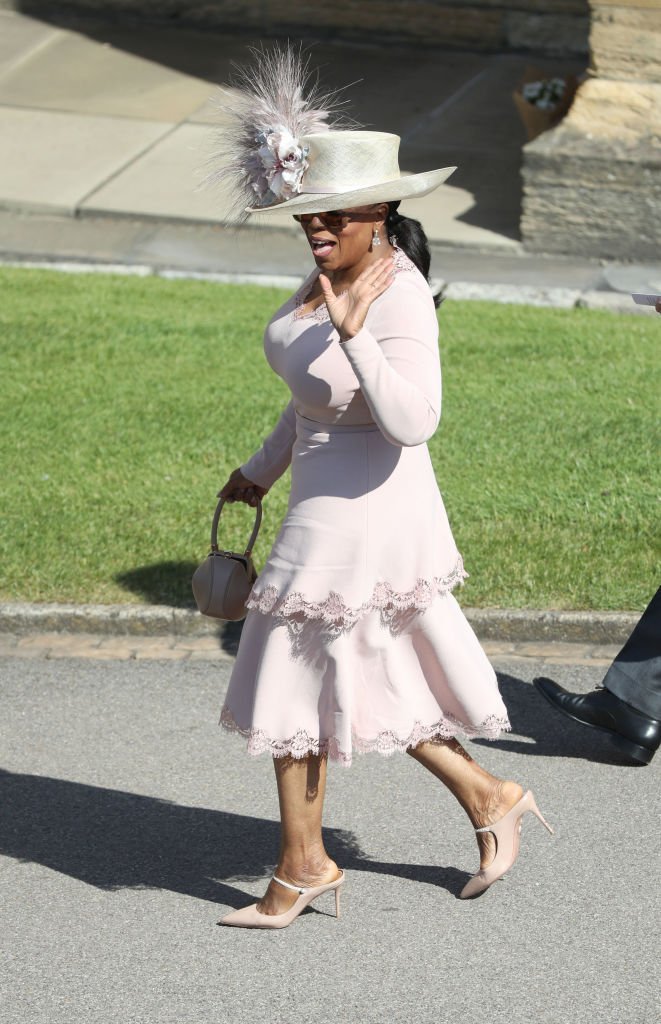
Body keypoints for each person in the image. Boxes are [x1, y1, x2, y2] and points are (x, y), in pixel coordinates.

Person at [212, 49, 553, 929]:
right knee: (365, 678)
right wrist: (259, 469)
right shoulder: (325, 274)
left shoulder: (393, 296)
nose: (313, 229)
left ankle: (302, 867)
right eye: (304, 216)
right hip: (321, 501)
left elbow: (413, 421)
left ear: (378, 214)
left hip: (365, 512)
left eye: (329, 215)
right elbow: (307, 399)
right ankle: (486, 795)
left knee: (291, 680)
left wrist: (358, 335)